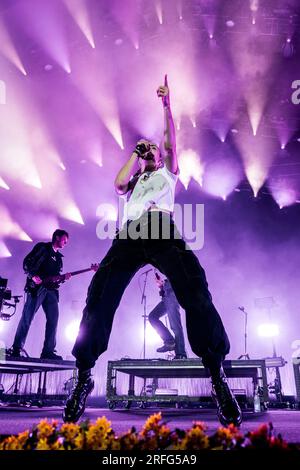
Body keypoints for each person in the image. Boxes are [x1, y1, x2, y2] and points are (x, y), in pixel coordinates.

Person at [63, 76, 242, 426]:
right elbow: (117, 184)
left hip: (161, 229)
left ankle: (217, 376)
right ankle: (83, 375)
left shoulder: (167, 175)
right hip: (129, 234)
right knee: (99, 296)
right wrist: (134, 153)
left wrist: (166, 107)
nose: (149, 152)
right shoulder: (135, 181)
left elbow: (171, 144)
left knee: (194, 288)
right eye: (146, 151)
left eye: (152, 151)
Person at [7, 229, 71, 360]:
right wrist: (33, 276)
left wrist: (63, 278)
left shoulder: (59, 258)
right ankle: (16, 348)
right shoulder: (42, 248)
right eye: (64, 239)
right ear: (57, 237)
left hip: (51, 292)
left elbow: (56, 277)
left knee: (53, 319)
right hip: (37, 289)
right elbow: (27, 263)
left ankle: (48, 351)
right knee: (27, 318)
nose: (66, 243)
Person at [149, 272, 187, 359]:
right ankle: (169, 341)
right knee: (152, 317)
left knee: (175, 325)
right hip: (166, 295)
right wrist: (161, 285)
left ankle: (181, 354)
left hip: (173, 294)